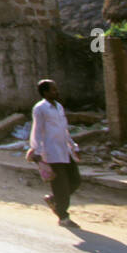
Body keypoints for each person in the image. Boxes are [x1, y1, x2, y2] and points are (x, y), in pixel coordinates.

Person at [28, 79, 81, 228]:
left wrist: (74, 146)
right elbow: (36, 130)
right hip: (50, 153)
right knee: (61, 186)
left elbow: (64, 129)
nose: (56, 92)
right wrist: (36, 151)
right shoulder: (40, 109)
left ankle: (54, 199)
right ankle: (63, 217)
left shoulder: (59, 107)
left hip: (64, 150)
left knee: (75, 180)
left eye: (56, 89)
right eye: (53, 90)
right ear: (45, 92)